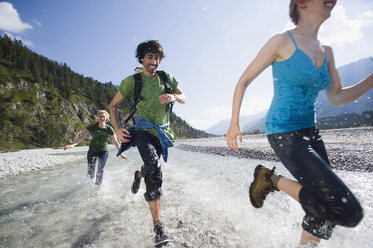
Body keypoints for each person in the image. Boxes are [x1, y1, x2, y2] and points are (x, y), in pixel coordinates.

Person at [225, 0, 372, 246]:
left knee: (324, 209)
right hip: (284, 132)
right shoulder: (281, 41)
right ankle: (270, 179)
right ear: (301, 3)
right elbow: (243, 80)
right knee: (347, 211)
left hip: (311, 133)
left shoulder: (327, 52)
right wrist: (234, 123)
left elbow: (336, 98)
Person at [109, 40, 186, 247]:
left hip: (162, 133)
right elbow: (113, 105)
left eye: (157, 57)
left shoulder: (166, 77)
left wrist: (174, 97)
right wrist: (117, 129)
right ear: (142, 59)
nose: (154, 61)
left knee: (150, 168)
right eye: (150, 57)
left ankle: (139, 174)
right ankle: (158, 228)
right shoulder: (131, 82)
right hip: (142, 130)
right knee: (155, 170)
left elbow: (183, 96)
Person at [64, 110, 127, 185]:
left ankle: (98, 187)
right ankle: (89, 185)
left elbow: (115, 141)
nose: (102, 118)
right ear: (98, 117)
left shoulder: (109, 129)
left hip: (103, 152)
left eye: (103, 116)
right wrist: (72, 145)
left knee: (100, 170)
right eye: (100, 116)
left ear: (106, 118)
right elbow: (82, 138)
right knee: (91, 171)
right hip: (92, 151)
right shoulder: (92, 127)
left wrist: (121, 153)